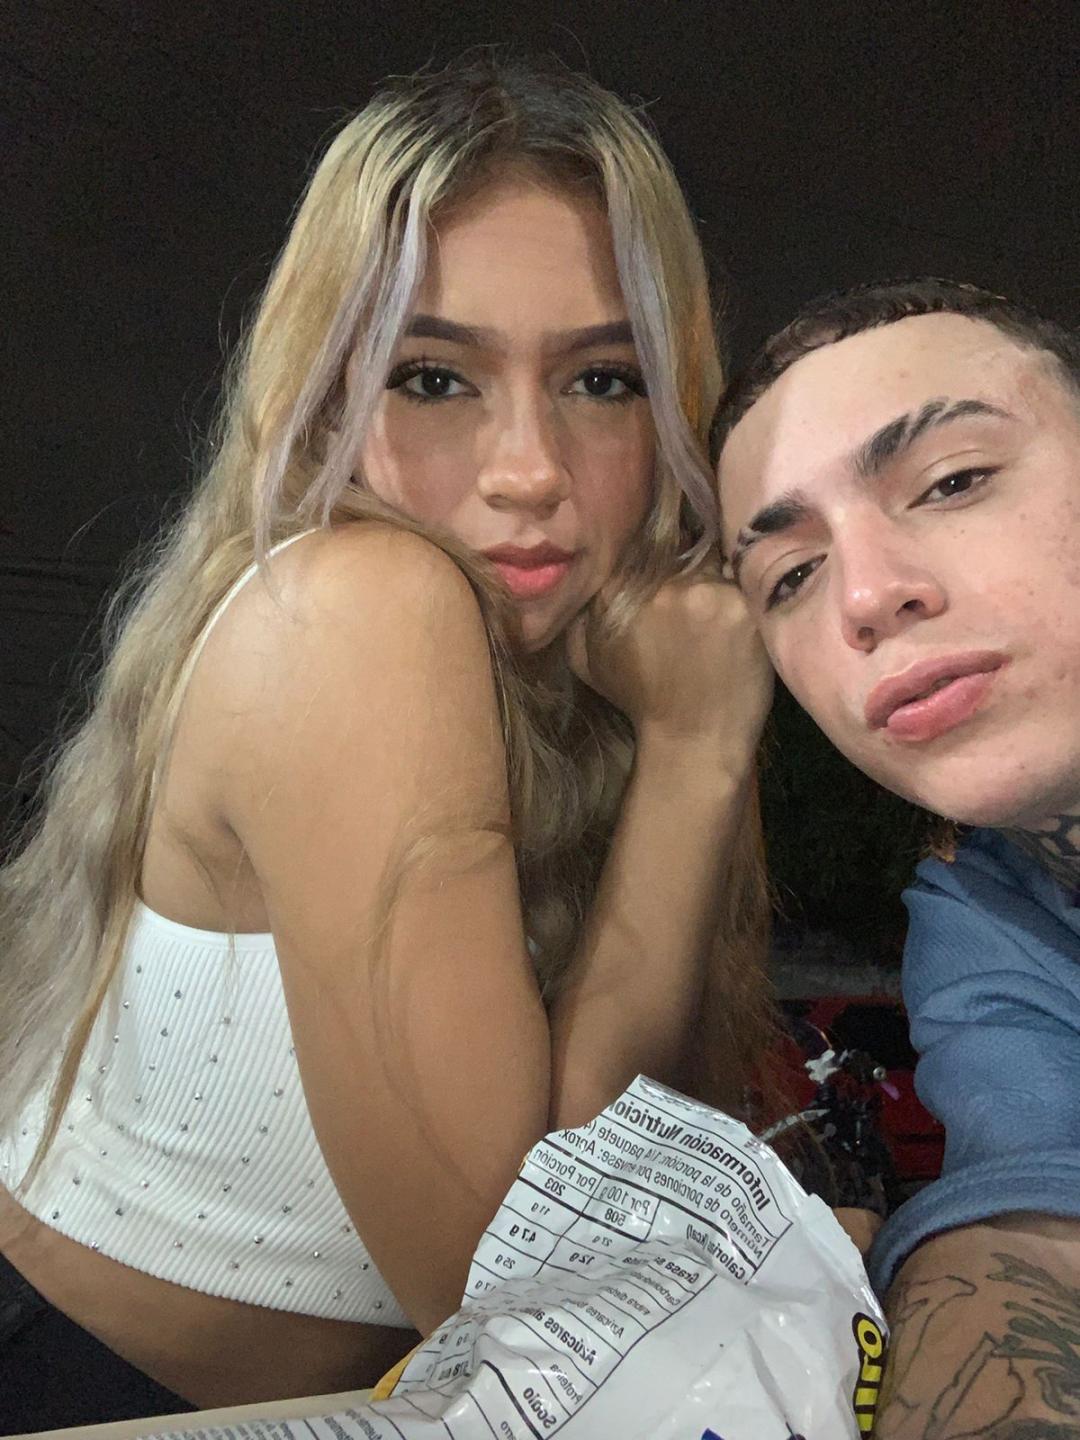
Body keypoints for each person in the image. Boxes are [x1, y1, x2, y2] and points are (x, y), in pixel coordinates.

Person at [0, 53, 776, 1431]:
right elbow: (516, 1294)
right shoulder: (360, 608)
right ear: (325, 398)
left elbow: (634, 1179)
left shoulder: (585, 687)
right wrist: (698, 755)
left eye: (604, 381)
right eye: (432, 376)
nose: (528, 470)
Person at [714, 276, 1080, 1437]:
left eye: (954, 480)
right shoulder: (987, 915)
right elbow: (1030, 1228)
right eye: (791, 576)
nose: (866, 596)